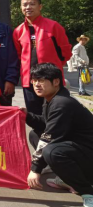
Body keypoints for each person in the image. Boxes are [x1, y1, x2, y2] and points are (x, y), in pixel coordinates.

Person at [24, 63, 93, 207]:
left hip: (88, 155)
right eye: (34, 80)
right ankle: (66, 177)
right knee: (34, 134)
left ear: (56, 82)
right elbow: (46, 123)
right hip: (78, 148)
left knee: (52, 152)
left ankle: (88, 193)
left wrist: (35, 169)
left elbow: (49, 136)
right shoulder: (52, 98)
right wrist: (26, 116)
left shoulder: (62, 103)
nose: (36, 84)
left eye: (41, 80)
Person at [13, 0, 72, 115]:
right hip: (30, 82)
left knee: (56, 114)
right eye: (24, 4)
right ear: (21, 7)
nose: (28, 7)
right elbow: (18, 56)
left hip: (51, 81)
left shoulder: (53, 26)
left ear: (40, 6)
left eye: (32, 4)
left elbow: (65, 52)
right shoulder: (18, 31)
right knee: (35, 115)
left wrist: (55, 67)